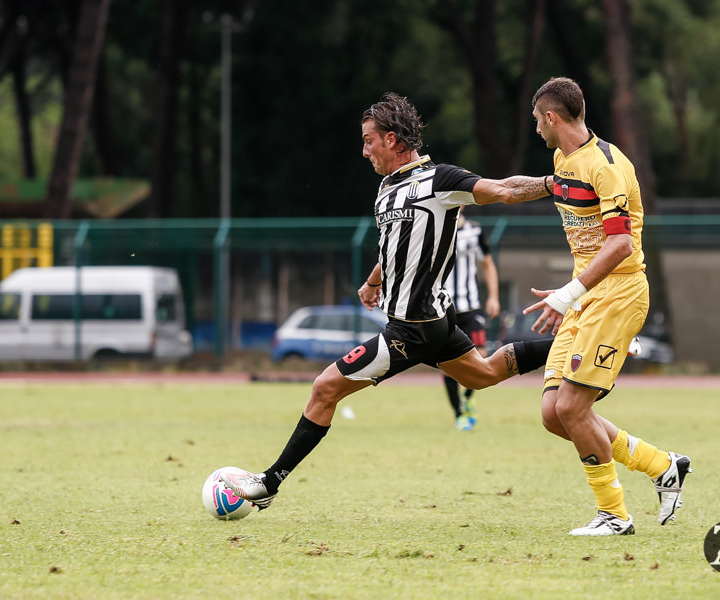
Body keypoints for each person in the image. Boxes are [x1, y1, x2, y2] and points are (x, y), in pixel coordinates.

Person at [221, 92, 554, 510]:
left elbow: (503, 190)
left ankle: (269, 483)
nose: (364, 151)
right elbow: (394, 244)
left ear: (393, 140)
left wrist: (552, 183)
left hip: (412, 329)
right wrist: (373, 281)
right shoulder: (385, 187)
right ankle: (578, 344)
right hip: (431, 321)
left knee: (325, 389)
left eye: (368, 141)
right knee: (483, 375)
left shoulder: (441, 180)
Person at [520, 77, 691, 535]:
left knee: (574, 408)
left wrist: (566, 294)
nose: (536, 128)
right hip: (585, 295)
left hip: (617, 293)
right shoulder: (563, 159)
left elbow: (617, 246)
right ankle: (662, 465)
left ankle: (614, 517)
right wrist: (470, 189)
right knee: (555, 413)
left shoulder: (607, 166)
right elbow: (535, 187)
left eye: (538, 120)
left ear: (552, 118)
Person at [442, 209, 501, 431]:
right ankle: (459, 413)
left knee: (481, 359)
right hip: (443, 309)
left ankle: (468, 397)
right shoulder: (435, 228)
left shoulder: (474, 230)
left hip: (470, 307)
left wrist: (494, 297)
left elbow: (487, 264)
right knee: (447, 365)